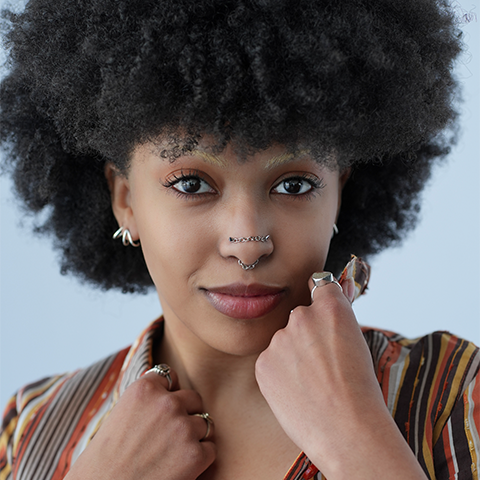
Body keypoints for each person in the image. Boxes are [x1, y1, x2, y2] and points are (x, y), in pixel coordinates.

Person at [0, 0, 478, 479]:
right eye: (192, 184)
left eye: (294, 185)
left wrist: (358, 442)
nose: (247, 243)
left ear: (340, 194)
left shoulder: (452, 398)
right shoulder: (34, 428)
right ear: (125, 199)